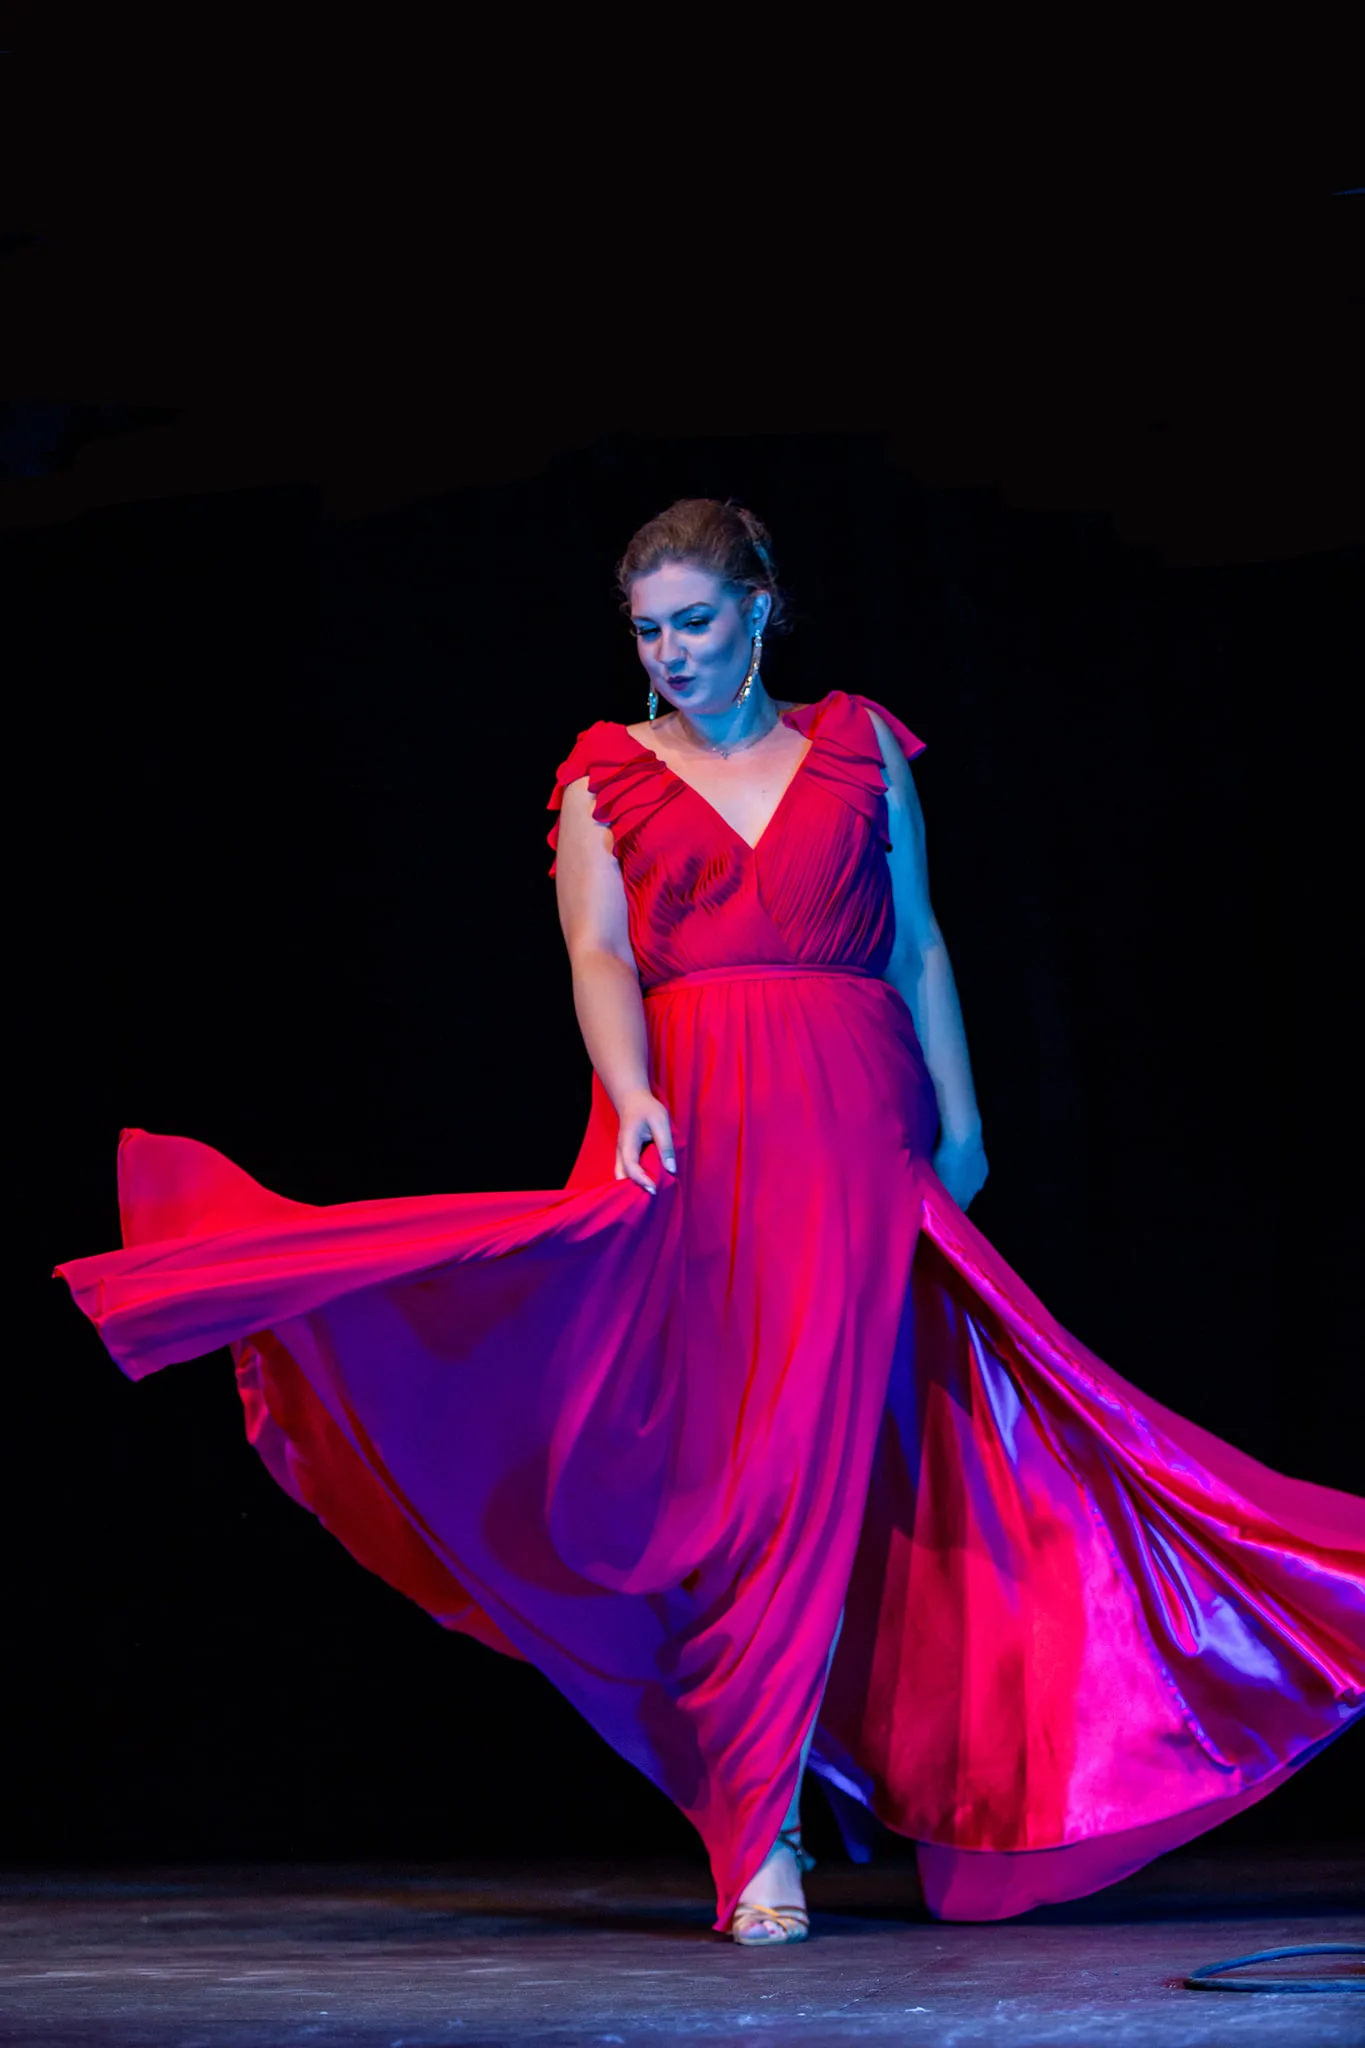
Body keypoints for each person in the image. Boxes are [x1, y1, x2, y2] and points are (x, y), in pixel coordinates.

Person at [58, 498, 1364, 1949]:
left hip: (860, 1126)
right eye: (647, 630)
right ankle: (761, 1830)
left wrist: (966, 1121)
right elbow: (598, 954)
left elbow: (919, 940)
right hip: (702, 1135)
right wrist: (629, 1095)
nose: (670, 652)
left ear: (759, 607)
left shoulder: (860, 747)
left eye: (694, 620)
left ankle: (901, 1786)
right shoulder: (604, 775)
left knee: (899, 1461)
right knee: (745, 1478)